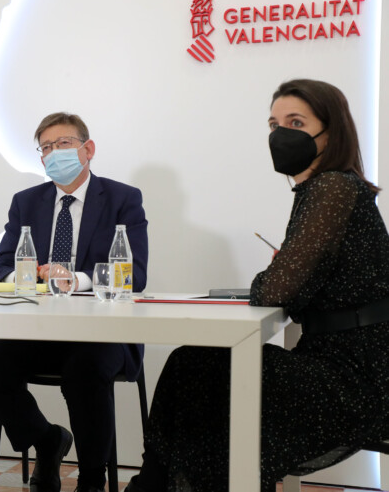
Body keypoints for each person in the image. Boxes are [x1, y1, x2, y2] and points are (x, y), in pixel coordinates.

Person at [125, 79, 389, 492]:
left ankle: (153, 484)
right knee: (195, 365)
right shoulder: (321, 190)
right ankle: (156, 483)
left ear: (331, 131)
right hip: (333, 362)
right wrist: (285, 271)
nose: (280, 135)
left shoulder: (332, 187)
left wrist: (277, 273)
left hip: (353, 378)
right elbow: (295, 287)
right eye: (273, 124)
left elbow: (275, 291)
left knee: (196, 367)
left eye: (296, 122)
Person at [0, 112, 149, 492]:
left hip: (104, 334)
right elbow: (1, 267)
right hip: (39, 330)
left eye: (63, 144)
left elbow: (134, 274)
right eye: (46, 148)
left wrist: (76, 279)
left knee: (85, 370)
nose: (54, 153)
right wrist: (29, 276)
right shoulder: (26, 202)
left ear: (88, 149)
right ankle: (48, 440)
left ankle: (91, 480)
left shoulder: (122, 199)